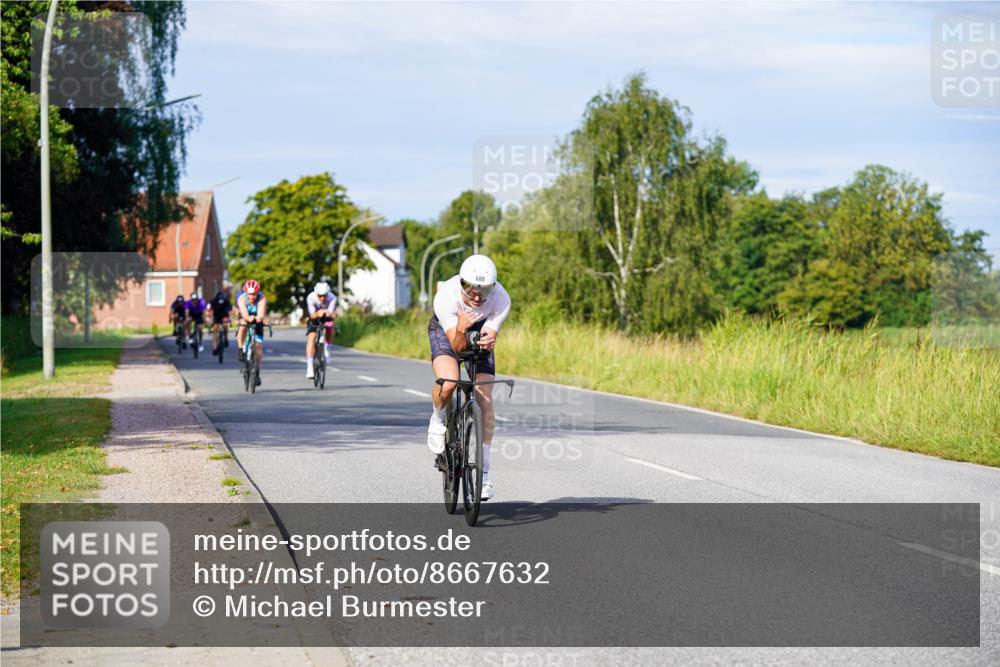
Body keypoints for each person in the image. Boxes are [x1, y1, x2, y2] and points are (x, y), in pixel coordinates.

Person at [427, 254, 511, 501]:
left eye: (483, 290)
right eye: (470, 288)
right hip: (449, 331)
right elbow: (457, 345)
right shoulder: (446, 297)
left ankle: (484, 476)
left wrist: (490, 338)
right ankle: (438, 415)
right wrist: (462, 327)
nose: (476, 295)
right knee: (449, 382)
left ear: (492, 288)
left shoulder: (501, 299)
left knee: (484, 398)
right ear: (461, 282)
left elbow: (489, 333)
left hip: (476, 330)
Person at [235, 279, 267, 386]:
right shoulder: (241, 298)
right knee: (243, 324)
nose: (252, 297)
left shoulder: (261, 298)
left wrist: (258, 318)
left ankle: (257, 370)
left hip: (256, 317)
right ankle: (241, 348)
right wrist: (249, 318)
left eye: (254, 294)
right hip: (246, 316)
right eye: (249, 294)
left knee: (258, 347)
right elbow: (244, 314)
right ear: (245, 292)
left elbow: (261, 313)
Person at [304, 281, 337, 380]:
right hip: (314, 316)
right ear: (316, 294)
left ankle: (326, 348)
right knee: (312, 337)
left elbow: (333, 315)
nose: (322, 298)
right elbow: (312, 314)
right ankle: (310, 367)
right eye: (320, 296)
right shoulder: (311, 297)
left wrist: (328, 313)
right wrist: (318, 313)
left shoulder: (332, 297)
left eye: (324, 296)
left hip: (326, 316)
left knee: (330, 327)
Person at [208, 290, 232, 355]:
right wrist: (211, 320)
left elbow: (229, 311)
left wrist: (230, 318)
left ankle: (226, 338)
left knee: (225, 325)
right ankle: (214, 347)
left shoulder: (227, 301)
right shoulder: (213, 301)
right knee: (215, 330)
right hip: (216, 316)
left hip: (224, 315)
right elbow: (211, 311)